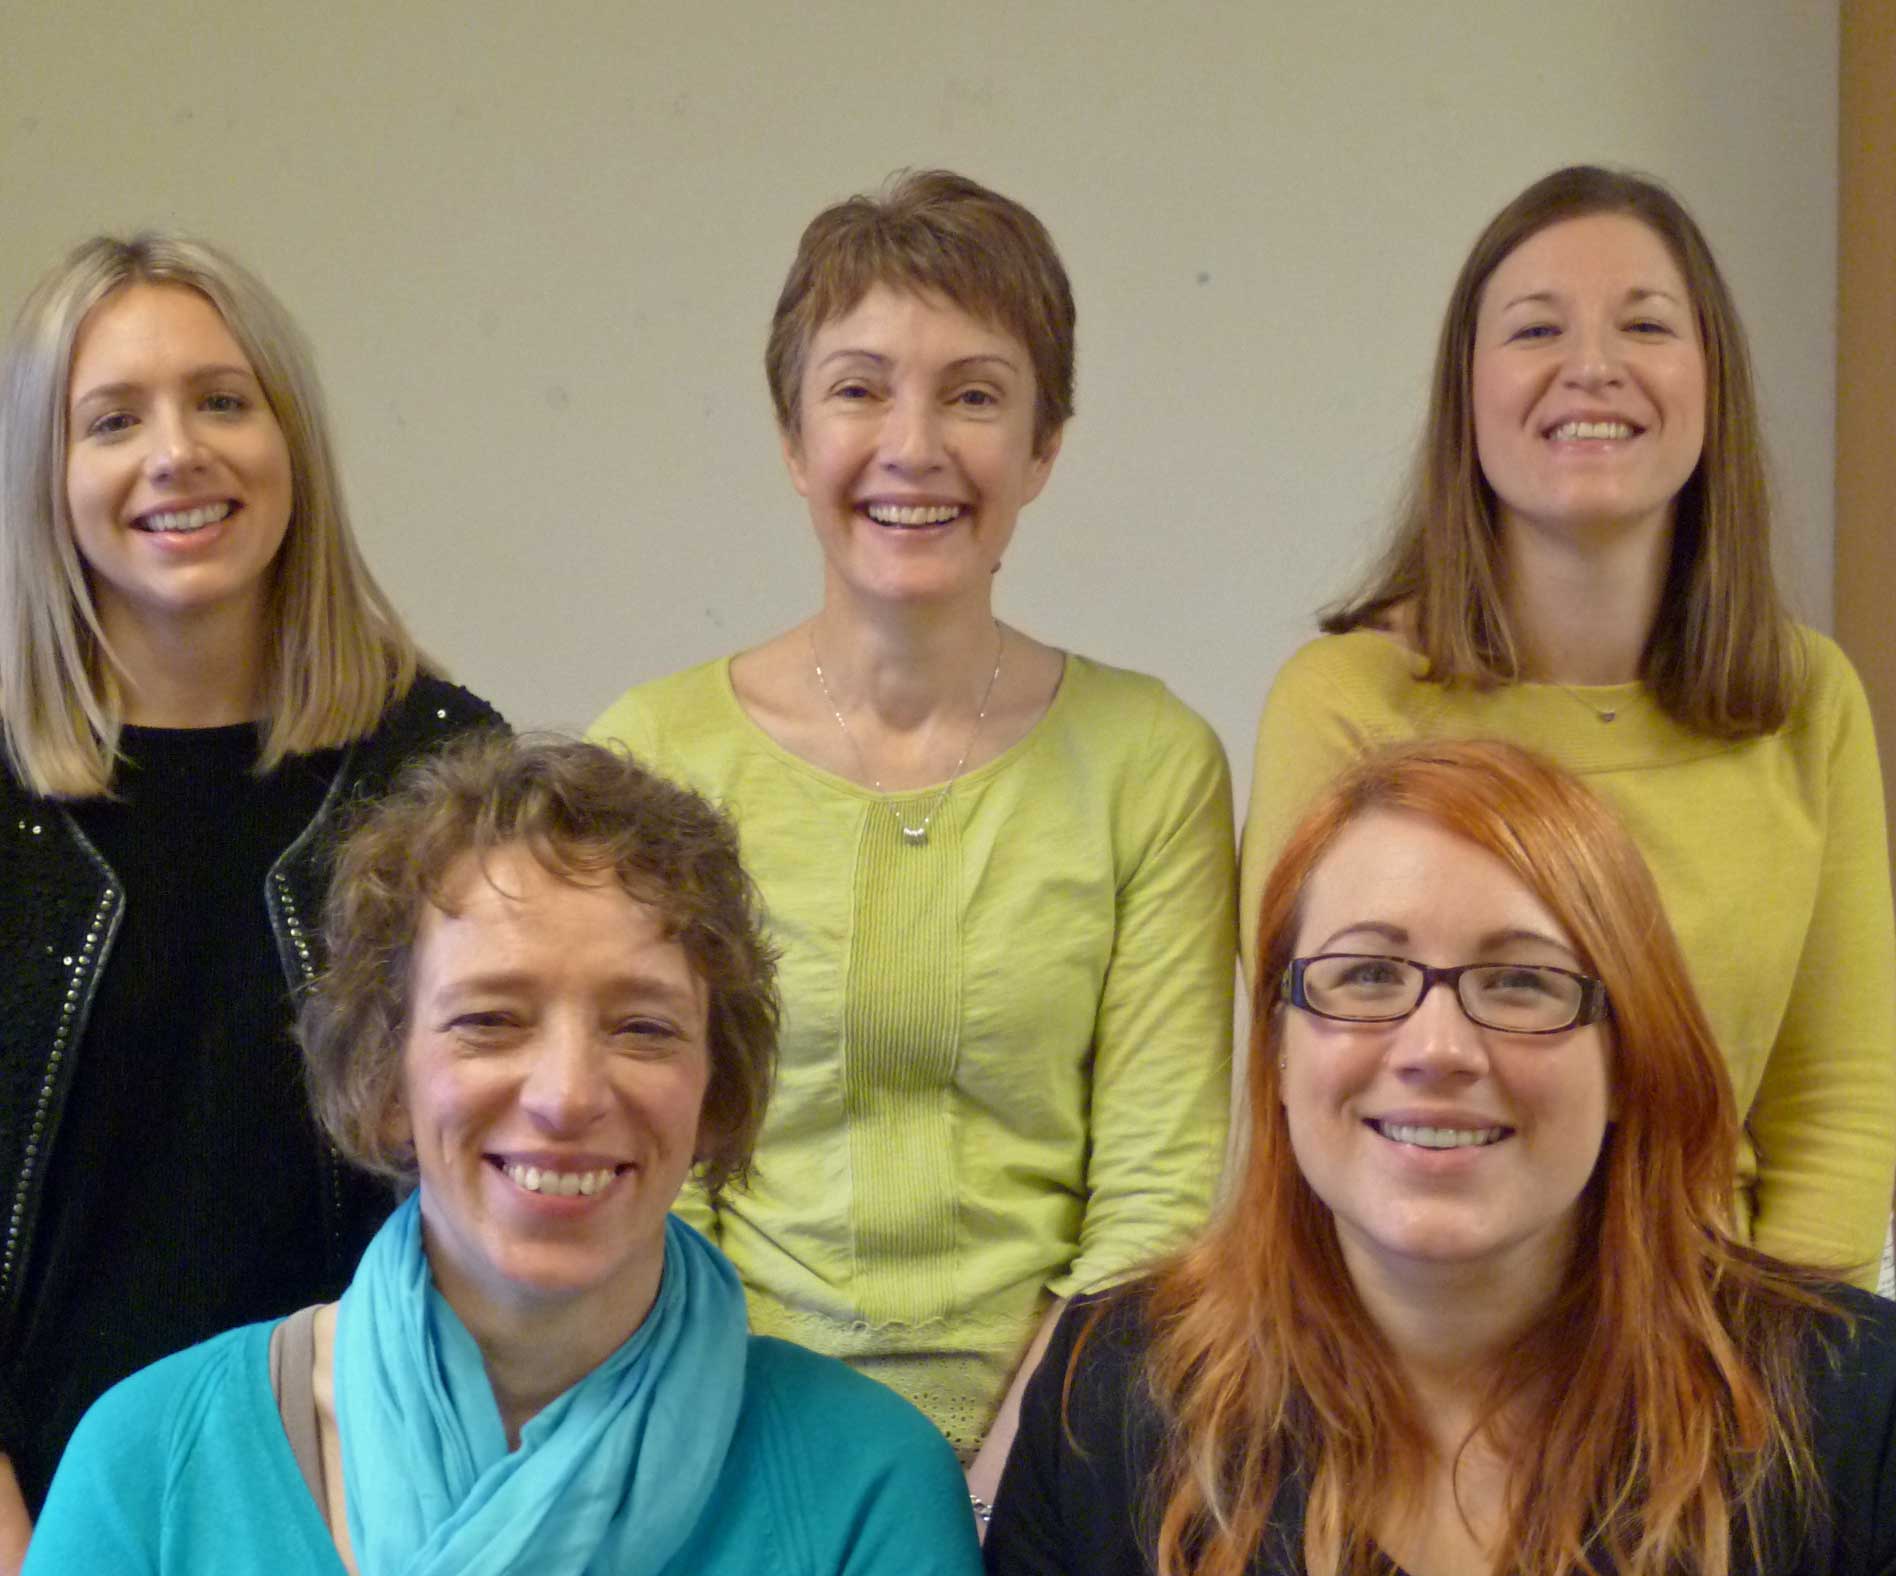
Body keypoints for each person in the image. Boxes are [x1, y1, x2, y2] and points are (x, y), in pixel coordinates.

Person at [589, 169, 1237, 1506]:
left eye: (976, 393)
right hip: (716, 1444)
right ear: (791, 435)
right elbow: (647, 1164)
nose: (914, 443)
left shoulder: (1152, 762)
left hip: (1065, 1461)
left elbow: (1154, 1201)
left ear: (1044, 449)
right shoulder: (653, 755)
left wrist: (1005, 1483)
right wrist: (795, 1473)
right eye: (860, 387)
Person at [25, 735, 983, 1574]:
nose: (567, 1094)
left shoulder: (868, 1482)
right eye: (490, 1021)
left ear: (716, 1085)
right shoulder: (151, 1459)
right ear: (384, 1074)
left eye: (642, 1027)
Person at [989, 739, 1896, 1576]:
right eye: (1368, 975)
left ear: (1628, 1060)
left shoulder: (1856, 1411)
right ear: (1277, 1051)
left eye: (1520, 983)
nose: (1437, 1049)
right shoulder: (1111, 1389)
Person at [1239, 165, 1896, 1285]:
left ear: (1712, 384)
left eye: (1645, 324)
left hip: (1727, 1343)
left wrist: (1776, 1397)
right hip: (1419, 1329)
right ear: (1468, 394)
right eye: (1536, 328)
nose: (1593, 366)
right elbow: (1294, 1092)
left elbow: (1837, 1106)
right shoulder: (1343, 700)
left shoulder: (1809, 698)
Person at [0, 233, 500, 1555]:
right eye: (114, 419)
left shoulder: (444, 770)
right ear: (47, 475)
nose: (179, 451)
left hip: (380, 1508)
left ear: (293, 445)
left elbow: (507, 1181)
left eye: (223, 401)